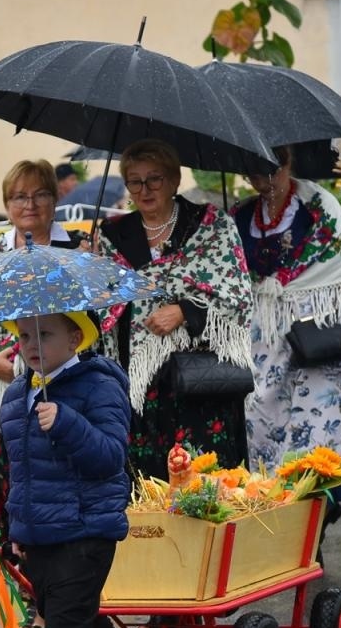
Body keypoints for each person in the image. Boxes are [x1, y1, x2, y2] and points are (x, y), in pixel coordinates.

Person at [0, 160, 84, 628]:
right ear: (7, 206)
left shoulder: (79, 250)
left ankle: (74, 603)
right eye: (18, 198)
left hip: (69, 398)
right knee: (18, 506)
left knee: (66, 502)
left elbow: (101, 325)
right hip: (7, 399)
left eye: (40, 195)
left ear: (55, 199)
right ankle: (33, 605)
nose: (29, 206)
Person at [0, 312, 132, 628]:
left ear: (76, 337)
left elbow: (111, 457)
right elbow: (21, 472)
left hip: (86, 532)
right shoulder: (17, 395)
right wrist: (18, 525)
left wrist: (68, 423)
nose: (32, 344)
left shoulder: (97, 386)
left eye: (44, 334)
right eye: (23, 336)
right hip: (40, 537)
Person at [234, 147, 341, 494]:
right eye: (254, 175)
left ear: (287, 163)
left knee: (316, 430)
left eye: (269, 173)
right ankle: (279, 515)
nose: (262, 183)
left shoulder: (319, 208)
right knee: (262, 423)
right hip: (264, 336)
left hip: (315, 331)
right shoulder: (241, 215)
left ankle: (316, 521)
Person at [100, 139, 254, 477]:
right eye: (135, 181)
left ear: (174, 180)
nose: (145, 189)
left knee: (208, 476)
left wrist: (186, 311)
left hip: (203, 378)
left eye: (154, 178)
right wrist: (88, 265)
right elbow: (103, 307)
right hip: (142, 381)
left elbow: (238, 296)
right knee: (152, 477)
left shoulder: (210, 226)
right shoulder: (112, 235)